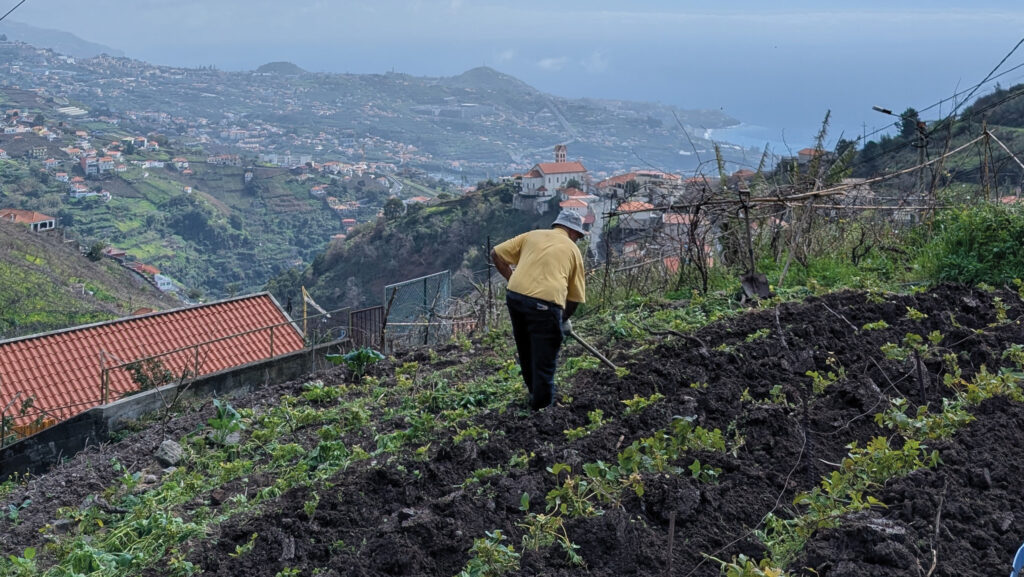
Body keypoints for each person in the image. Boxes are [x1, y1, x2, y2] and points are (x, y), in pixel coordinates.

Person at [491, 210, 586, 409]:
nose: (577, 239)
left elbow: (496, 253)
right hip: (544, 305)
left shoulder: (532, 235)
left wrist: (513, 279)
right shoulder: (572, 250)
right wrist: (561, 319)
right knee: (545, 358)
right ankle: (542, 411)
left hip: (515, 298)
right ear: (571, 231)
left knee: (526, 348)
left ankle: (534, 393)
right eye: (578, 235)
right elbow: (575, 297)